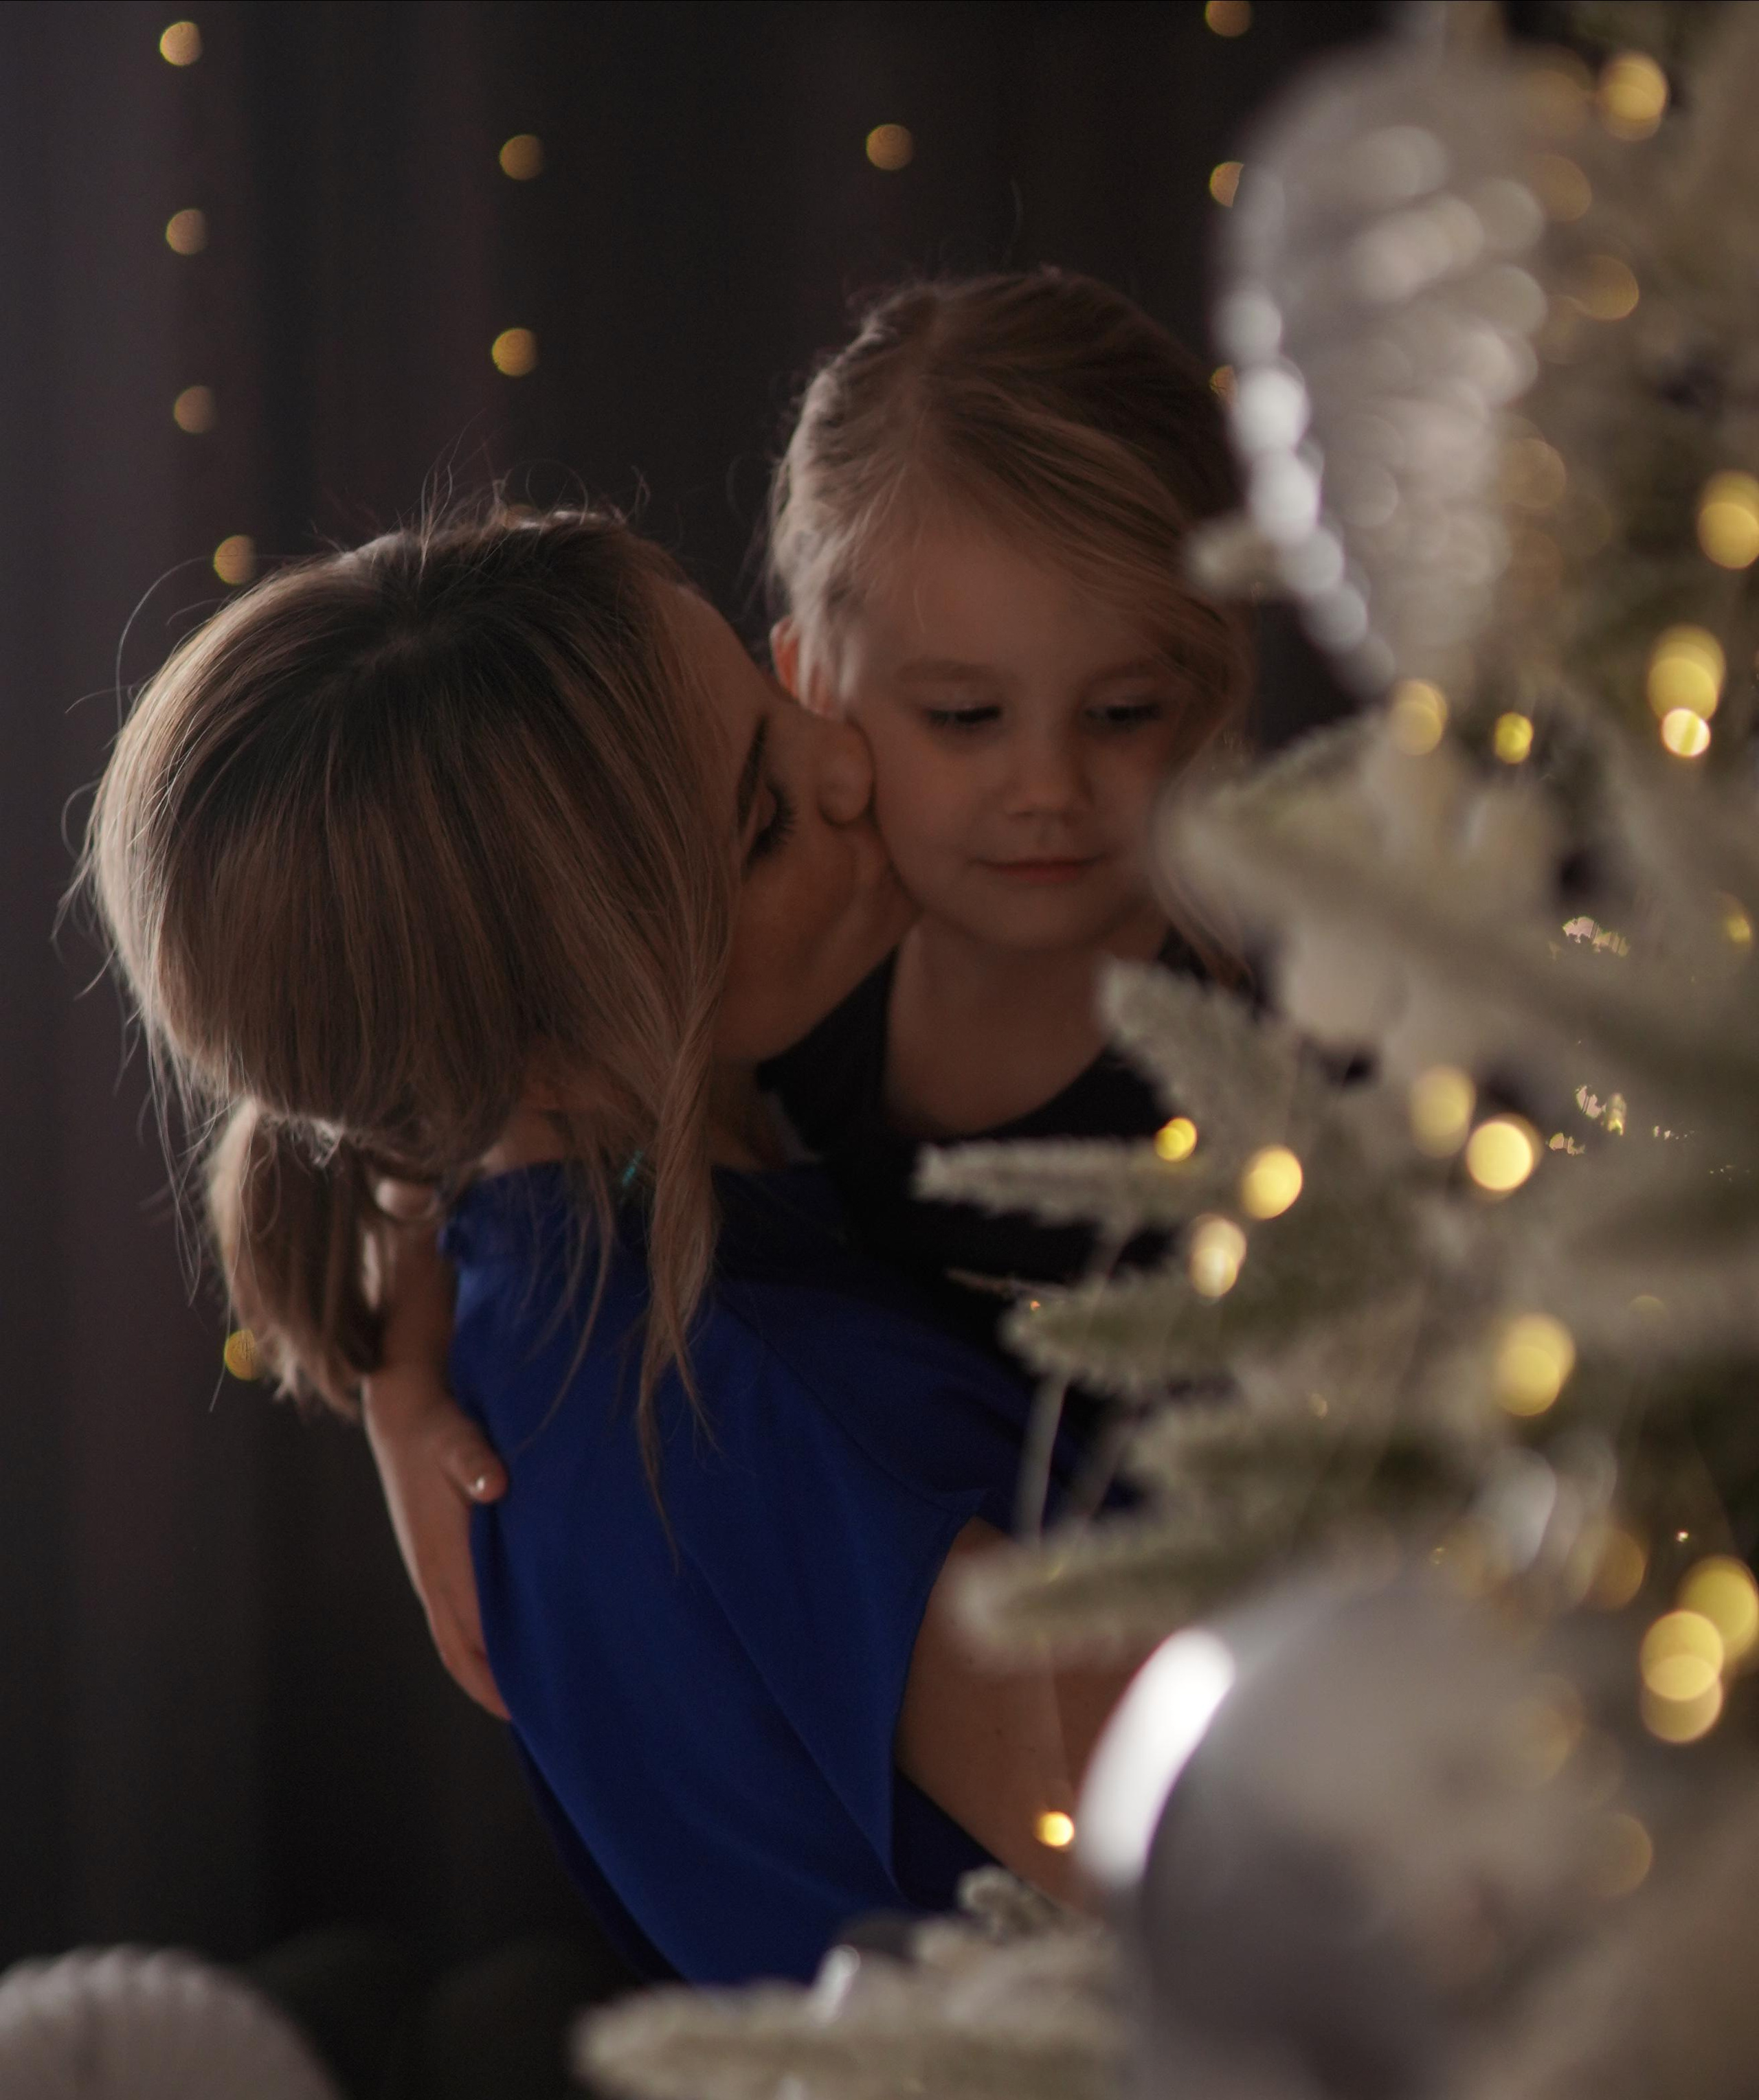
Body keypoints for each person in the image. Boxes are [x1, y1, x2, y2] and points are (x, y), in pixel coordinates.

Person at [83, 504, 1133, 1986]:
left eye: (768, 698)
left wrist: (403, 1333)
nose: (848, 761)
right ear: (559, 1040)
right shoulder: (750, 1407)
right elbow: (1279, 1854)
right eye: (762, 820)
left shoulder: (519, 1271)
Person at [371, 270, 1253, 1711]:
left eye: (1122, 712)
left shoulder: (1288, 1055)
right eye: (963, 717)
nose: (1044, 788)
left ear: (1216, 685)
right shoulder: (783, 977)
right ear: (808, 685)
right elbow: (445, 1097)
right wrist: (398, 1389)